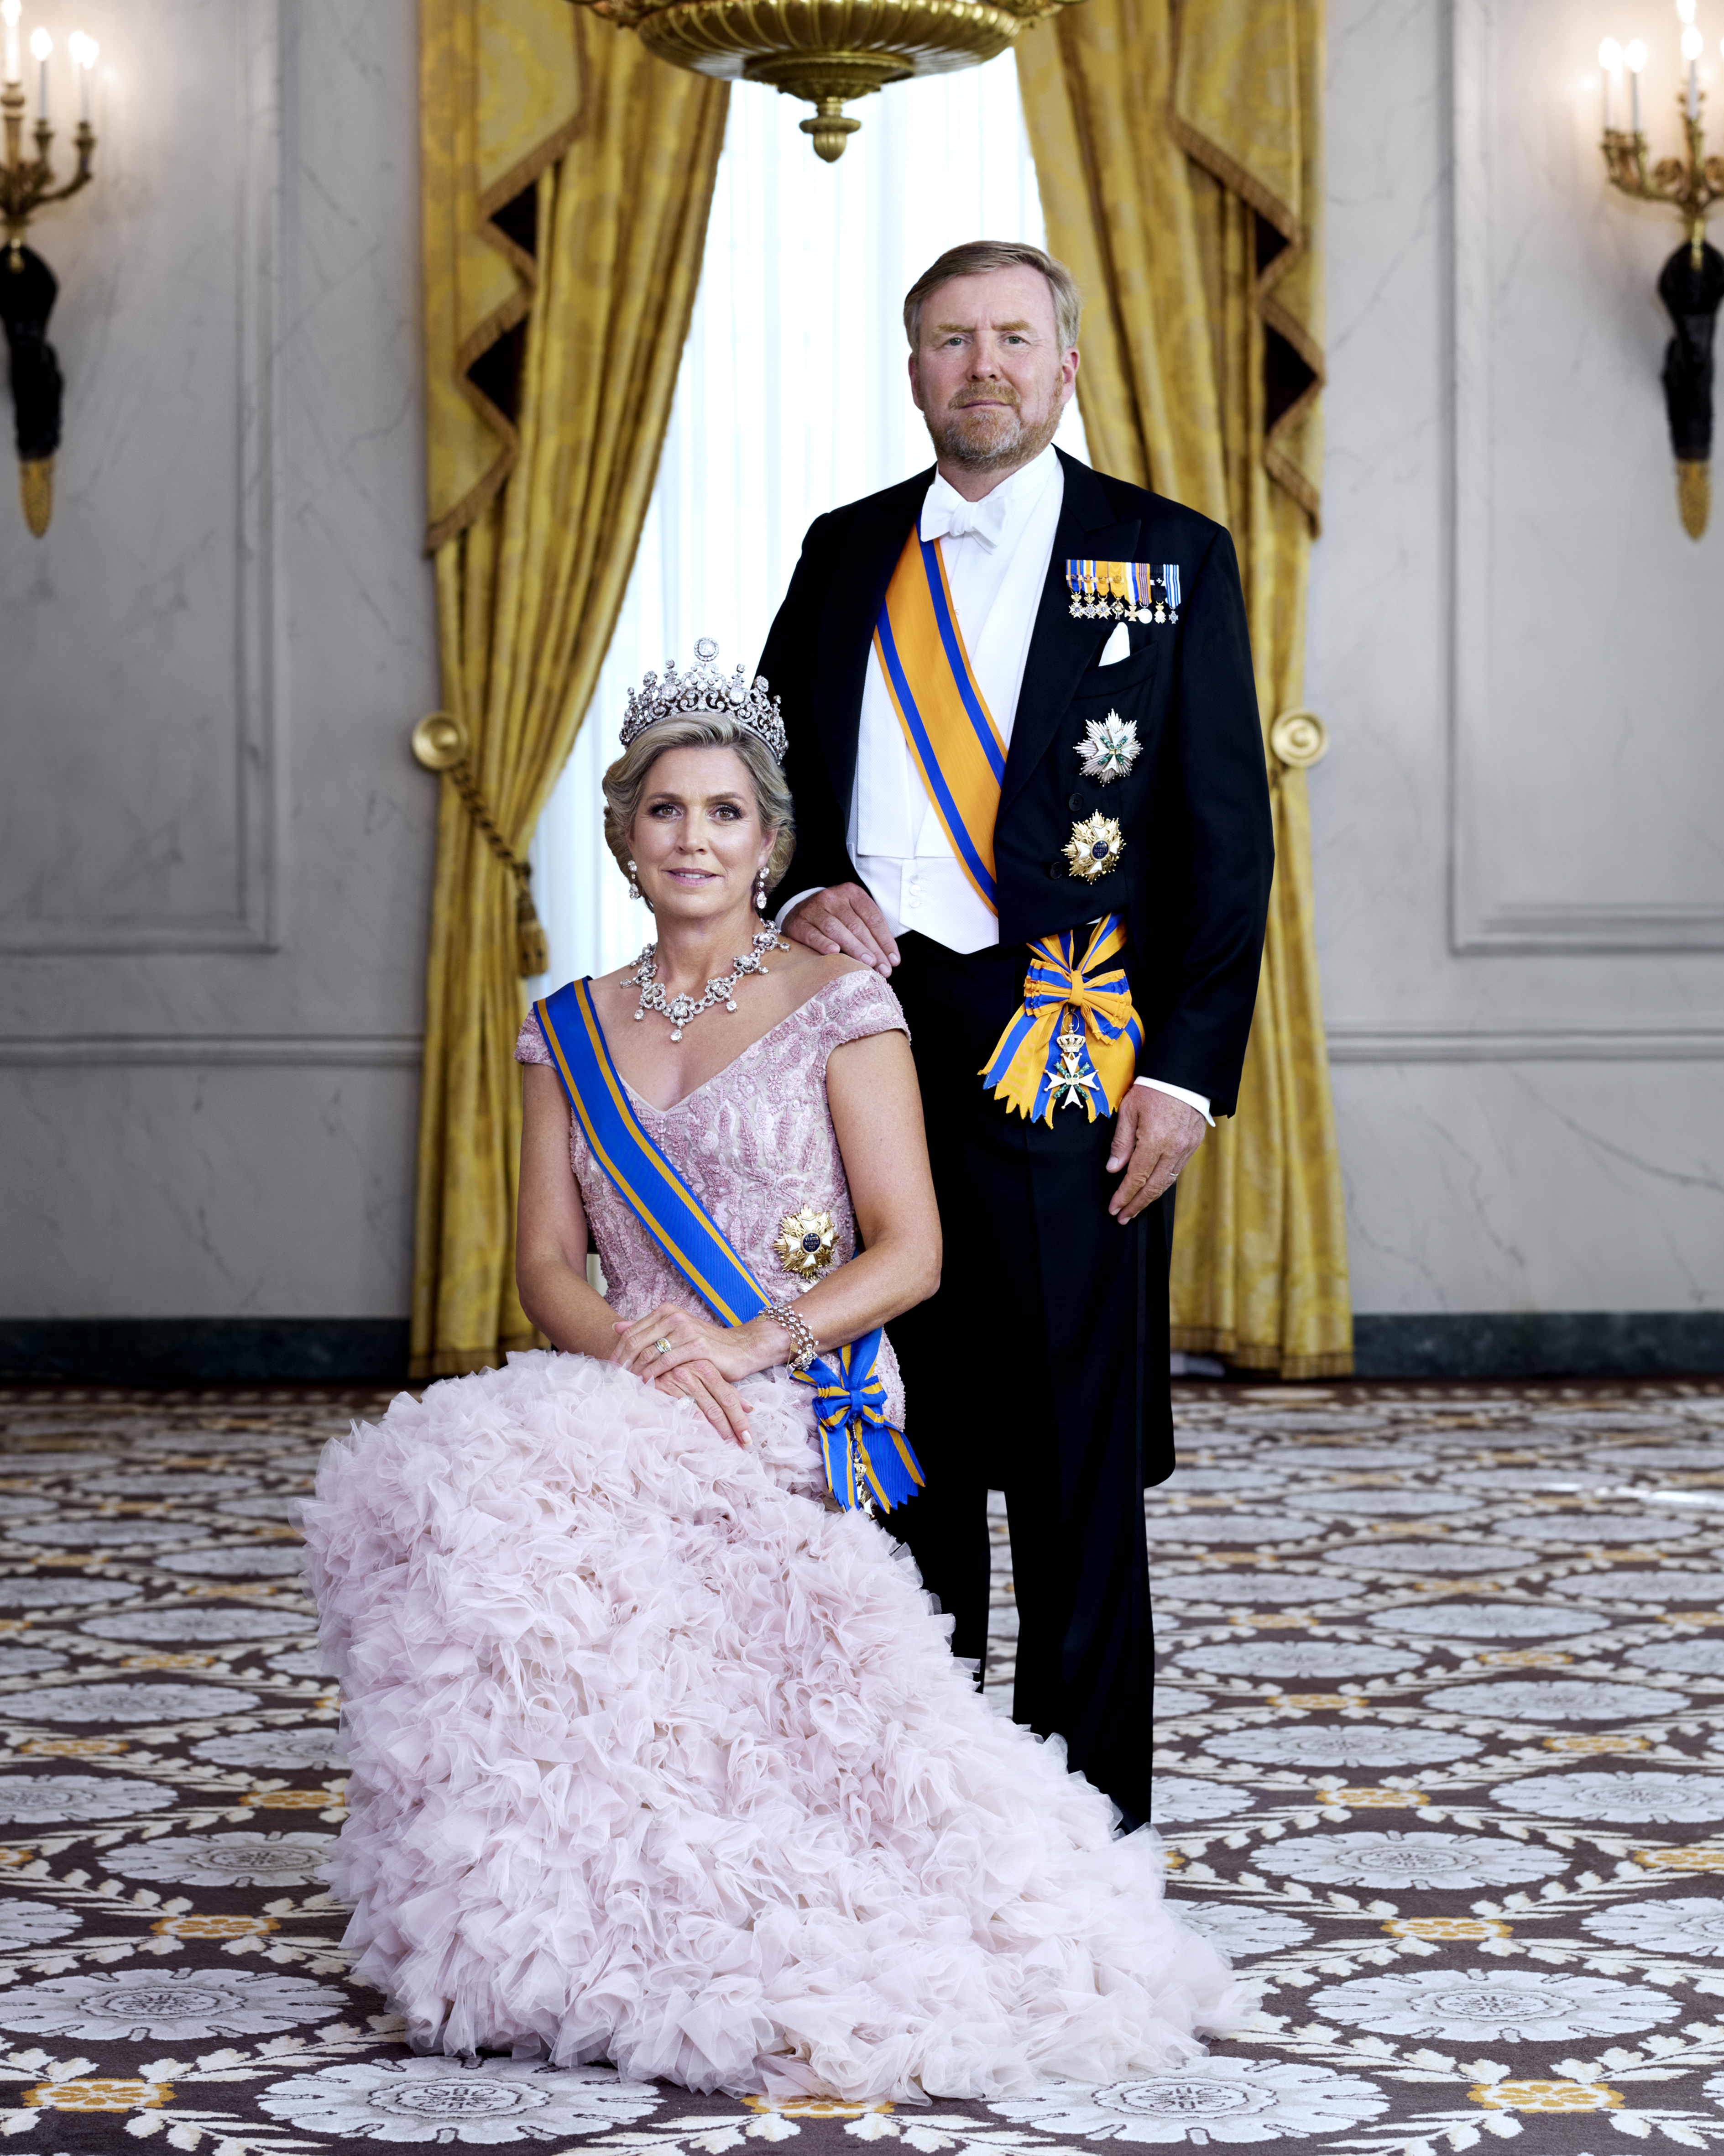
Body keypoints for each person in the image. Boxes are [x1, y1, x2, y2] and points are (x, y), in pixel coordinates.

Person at [303, 644, 1250, 2100]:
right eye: (664, 809)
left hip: (797, 1387)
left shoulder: (839, 1002)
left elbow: (912, 1250)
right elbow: (546, 1265)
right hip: (627, 1380)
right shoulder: (564, 1026)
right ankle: (560, 1884)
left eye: (725, 812)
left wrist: (746, 1344)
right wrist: (638, 1349)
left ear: (770, 842)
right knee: (453, 1491)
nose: (693, 838)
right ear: (624, 836)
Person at [760, 241, 1275, 1831]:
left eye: (1009, 337)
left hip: (1070, 1049)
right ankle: (918, 1816)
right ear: (912, 369)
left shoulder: (1166, 555)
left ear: (1065, 365)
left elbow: (1224, 843)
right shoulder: (845, 549)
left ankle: (1081, 1839)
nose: (979, 365)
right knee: (894, 1437)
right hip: (871, 1037)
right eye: (947, 340)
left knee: (1070, 1472)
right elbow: (771, 784)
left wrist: (1184, 1075)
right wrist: (802, 893)